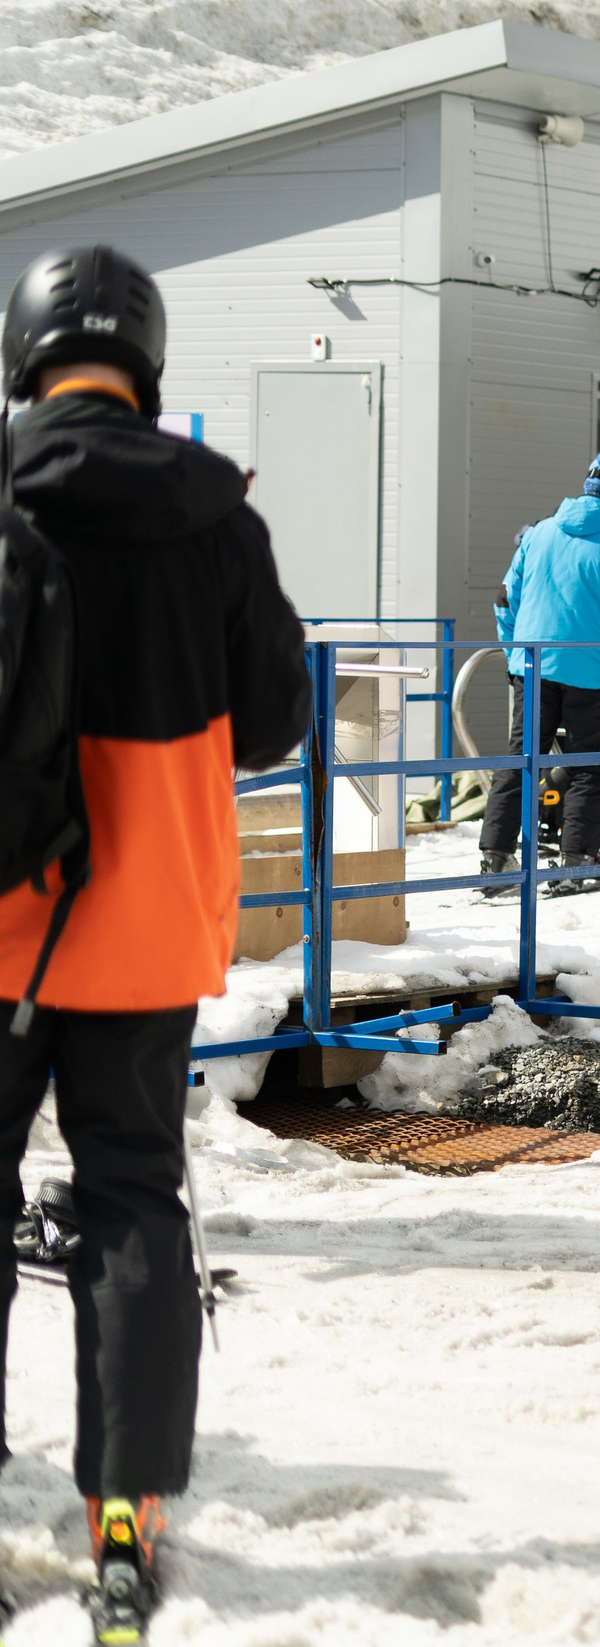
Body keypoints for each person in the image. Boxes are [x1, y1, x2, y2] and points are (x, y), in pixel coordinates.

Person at [0, 244, 311, 1639]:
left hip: (1, 912)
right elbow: (276, 721)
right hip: (145, 915)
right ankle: (125, 1516)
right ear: (149, 362)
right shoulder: (215, 516)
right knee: (131, 1194)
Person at [480, 452, 600, 894]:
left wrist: (514, 654)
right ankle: (576, 861)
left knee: (521, 760)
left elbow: (505, 599)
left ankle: (495, 859)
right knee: (587, 769)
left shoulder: (539, 533)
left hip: (534, 666)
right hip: (594, 676)